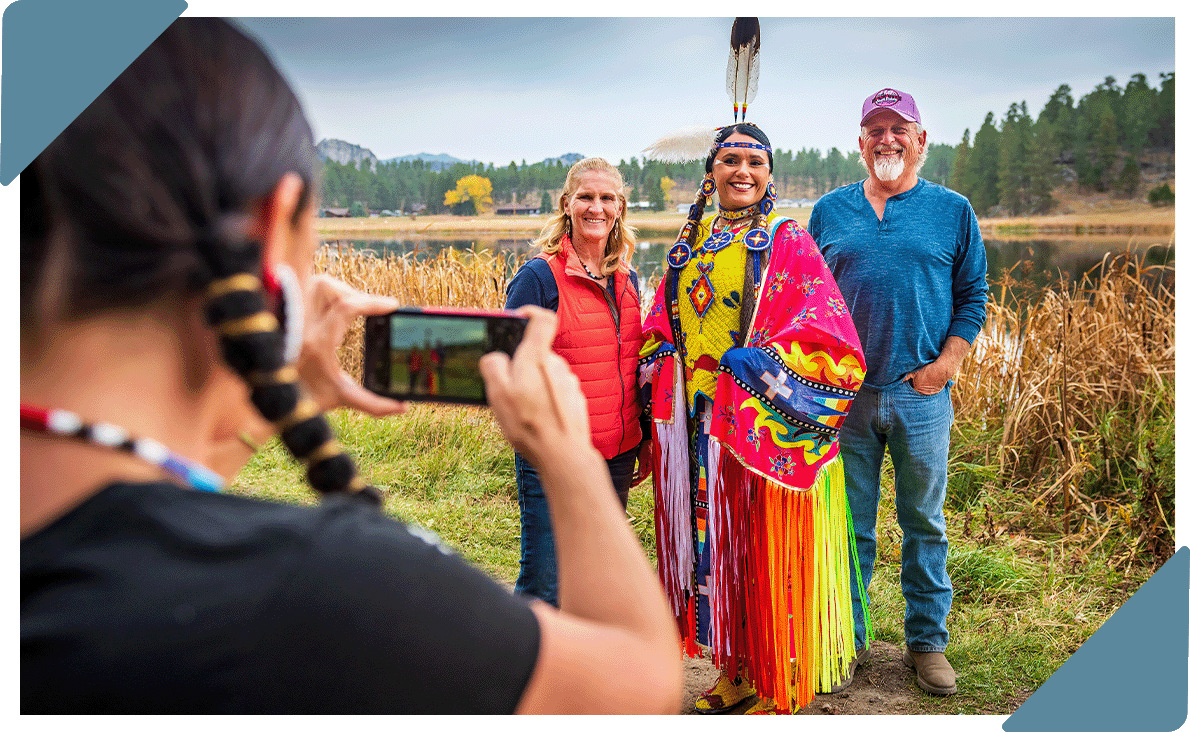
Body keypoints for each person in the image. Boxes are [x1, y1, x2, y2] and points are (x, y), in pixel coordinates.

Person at [20, 18, 682, 714]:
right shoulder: (318, 590)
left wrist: (270, 396)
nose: (599, 209)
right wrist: (567, 455)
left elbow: (132, 512)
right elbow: (637, 686)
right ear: (272, 228)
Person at [639, 122, 868, 714]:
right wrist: (661, 355)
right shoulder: (693, 242)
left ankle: (781, 682)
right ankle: (738, 670)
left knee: (764, 550)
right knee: (719, 549)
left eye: (755, 162)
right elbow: (663, 321)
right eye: (730, 160)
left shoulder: (787, 241)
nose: (742, 172)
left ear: (771, 174)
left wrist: (752, 366)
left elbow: (830, 333)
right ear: (710, 172)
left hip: (756, 424)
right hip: (698, 426)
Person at [808, 87, 989, 697]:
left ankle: (927, 645)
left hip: (921, 393)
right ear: (860, 142)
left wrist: (946, 365)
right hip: (844, 401)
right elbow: (810, 302)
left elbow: (973, 296)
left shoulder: (953, 210)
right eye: (875, 129)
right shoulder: (830, 213)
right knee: (848, 526)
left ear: (921, 140)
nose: (887, 139)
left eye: (898, 128)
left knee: (924, 522)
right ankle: (848, 640)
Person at [504, 158, 646, 608]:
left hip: (617, 454)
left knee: (595, 578)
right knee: (546, 581)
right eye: (586, 197)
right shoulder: (539, 278)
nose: (596, 208)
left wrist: (642, 439)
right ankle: (522, 673)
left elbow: (630, 364)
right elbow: (510, 367)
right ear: (567, 204)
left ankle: (583, 675)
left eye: (607, 198)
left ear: (620, 208)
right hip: (556, 454)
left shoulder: (627, 278)